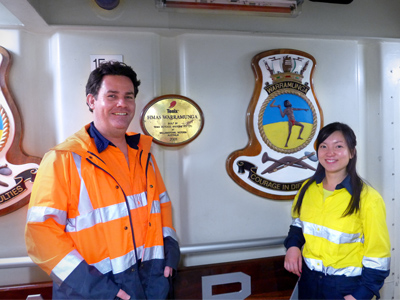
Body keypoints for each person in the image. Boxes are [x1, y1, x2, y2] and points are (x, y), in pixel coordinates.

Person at [25, 61, 180, 299]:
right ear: (91, 101)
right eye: (112, 96)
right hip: (95, 289)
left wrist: (170, 249)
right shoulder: (63, 159)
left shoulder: (143, 154)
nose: (122, 104)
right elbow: (41, 233)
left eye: (128, 96)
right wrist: (100, 289)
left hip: (152, 280)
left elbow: (161, 205)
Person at [284, 122, 390, 300]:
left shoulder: (369, 199)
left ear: (352, 152)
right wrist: (293, 246)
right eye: (323, 146)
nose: (330, 153)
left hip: (346, 287)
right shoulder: (306, 189)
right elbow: (298, 224)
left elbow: (378, 256)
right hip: (308, 281)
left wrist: (360, 295)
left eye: (338, 146)